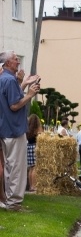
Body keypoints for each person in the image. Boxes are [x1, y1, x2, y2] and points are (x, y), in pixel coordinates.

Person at [0, 50, 41, 212]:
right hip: (14, 129)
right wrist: (30, 94)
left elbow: (11, 98)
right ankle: (14, 203)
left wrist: (23, 84)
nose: (18, 61)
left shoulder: (4, 79)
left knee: (10, 166)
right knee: (16, 166)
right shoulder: (10, 80)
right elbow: (14, 105)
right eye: (15, 59)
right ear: (7, 63)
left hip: (5, 129)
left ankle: (10, 200)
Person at [26, 114, 43, 193]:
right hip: (34, 147)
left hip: (28, 147)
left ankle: (30, 186)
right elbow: (41, 136)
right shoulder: (37, 129)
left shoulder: (28, 129)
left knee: (30, 168)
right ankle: (34, 186)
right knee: (35, 167)